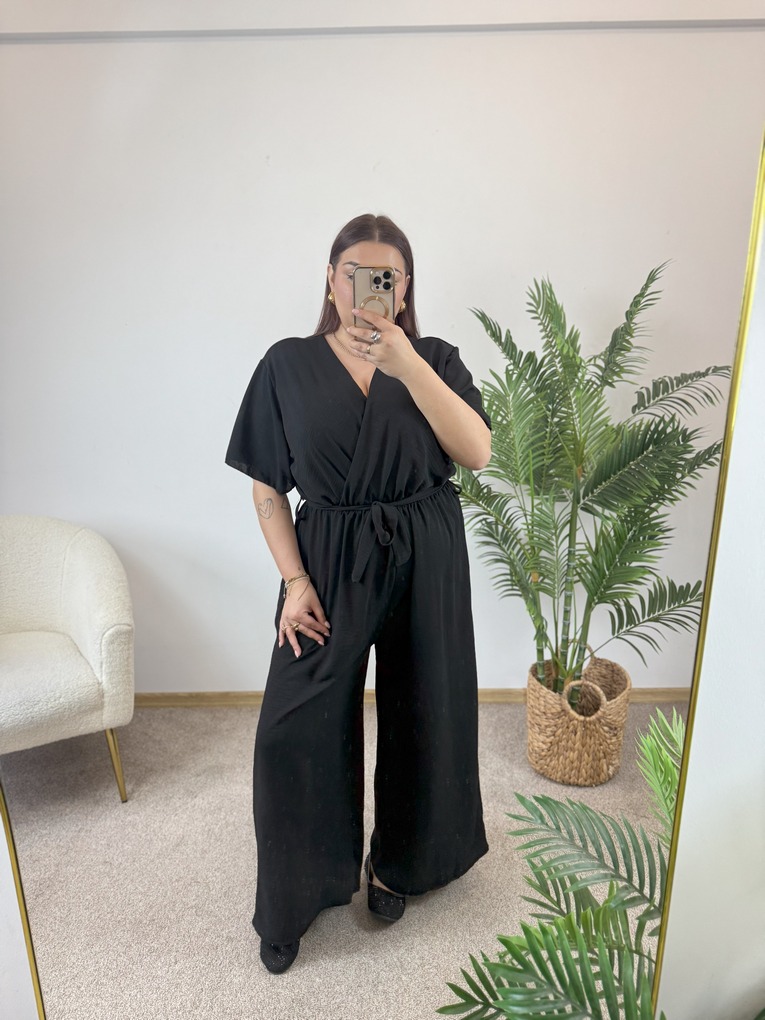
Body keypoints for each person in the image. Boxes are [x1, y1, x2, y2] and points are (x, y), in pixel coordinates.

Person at [225, 213, 491, 974]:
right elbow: (267, 487)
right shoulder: (286, 363)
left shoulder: (434, 358)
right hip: (329, 556)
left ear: (404, 288)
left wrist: (407, 364)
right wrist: (293, 583)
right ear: (330, 279)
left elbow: (476, 451)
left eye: (386, 276)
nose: (368, 287)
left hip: (426, 545)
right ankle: (296, 894)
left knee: (427, 709)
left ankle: (401, 865)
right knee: (293, 728)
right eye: (354, 273)